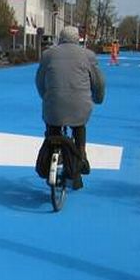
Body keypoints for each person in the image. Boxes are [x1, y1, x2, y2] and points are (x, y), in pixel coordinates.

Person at [36, 26, 105, 189]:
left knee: (52, 128)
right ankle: (81, 156)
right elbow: (98, 82)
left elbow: (39, 81)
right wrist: (98, 98)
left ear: (60, 38)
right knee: (79, 127)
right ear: (78, 39)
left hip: (53, 105)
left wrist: (45, 96)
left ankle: (52, 153)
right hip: (79, 106)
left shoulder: (48, 55)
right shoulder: (88, 56)